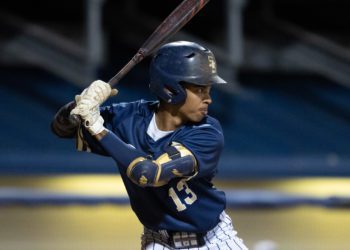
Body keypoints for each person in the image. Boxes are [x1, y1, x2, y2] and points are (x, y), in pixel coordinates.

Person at [51, 41, 248, 250]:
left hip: (212, 240)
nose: (208, 98)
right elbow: (62, 129)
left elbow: (149, 174)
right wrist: (79, 106)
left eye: (208, 89)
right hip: (158, 242)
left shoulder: (207, 132)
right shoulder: (129, 117)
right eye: (199, 89)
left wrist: (98, 128)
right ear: (171, 88)